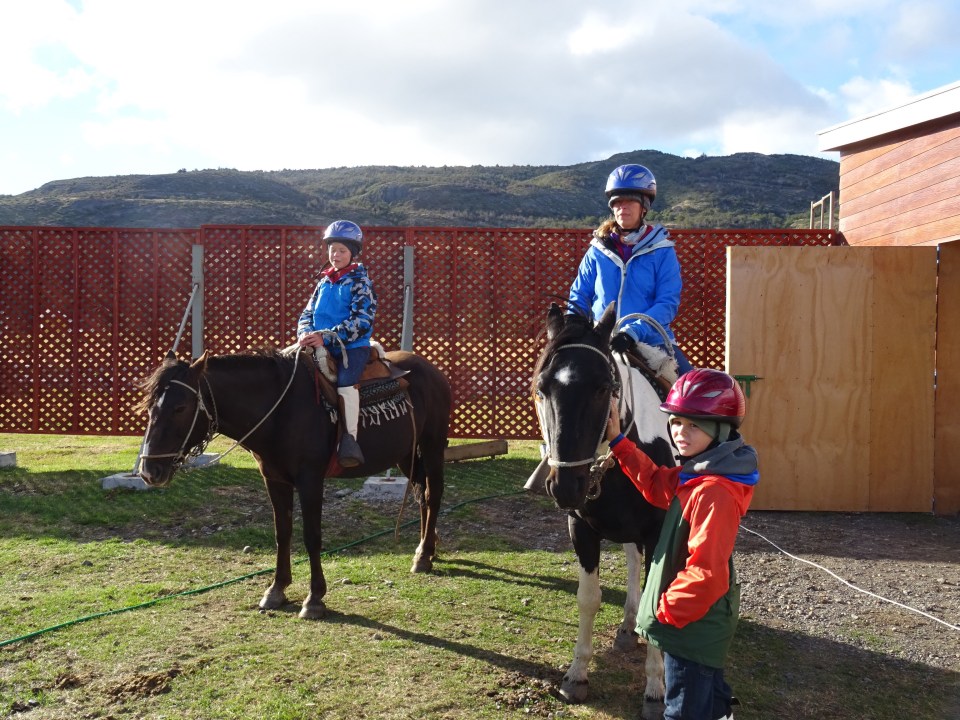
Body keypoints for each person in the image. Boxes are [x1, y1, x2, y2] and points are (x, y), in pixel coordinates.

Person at [605, 368, 758, 720]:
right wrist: (619, 442)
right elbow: (658, 482)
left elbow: (706, 571)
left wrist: (667, 613)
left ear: (720, 430)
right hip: (696, 622)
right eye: (676, 422)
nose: (680, 433)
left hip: (690, 626)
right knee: (713, 697)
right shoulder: (700, 473)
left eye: (694, 425)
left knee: (683, 710)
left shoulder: (714, 491)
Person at [568, 163, 693, 375]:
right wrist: (572, 325)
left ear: (644, 206)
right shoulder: (597, 250)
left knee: (691, 391)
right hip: (601, 341)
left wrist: (633, 331)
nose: (622, 207)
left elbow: (667, 302)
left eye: (629, 201)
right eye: (617, 202)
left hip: (651, 342)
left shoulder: (663, 251)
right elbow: (579, 295)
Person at [297, 220, 377, 467]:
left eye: (342, 250)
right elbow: (307, 313)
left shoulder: (360, 282)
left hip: (351, 347)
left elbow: (362, 320)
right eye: (332, 250)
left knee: (345, 382)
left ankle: (349, 440)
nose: (336, 255)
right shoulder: (323, 282)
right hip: (318, 343)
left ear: (353, 253)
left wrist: (327, 336)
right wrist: (305, 333)